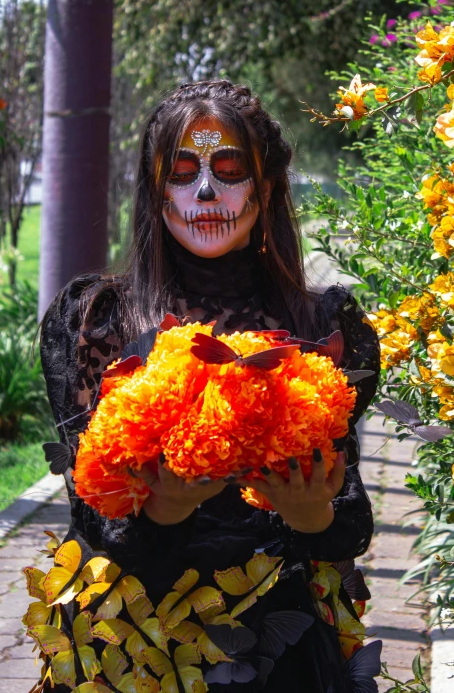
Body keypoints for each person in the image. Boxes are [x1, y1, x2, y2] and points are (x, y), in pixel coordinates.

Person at [28, 80, 381, 693]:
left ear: (265, 188)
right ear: (155, 190)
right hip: (131, 643)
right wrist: (166, 506)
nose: (207, 192)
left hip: (279, 639)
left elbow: (348, 521)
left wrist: (308, 510)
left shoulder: (323, 325)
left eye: (228, 169)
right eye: (183, 172)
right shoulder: (98, 322)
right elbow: (95, 515)